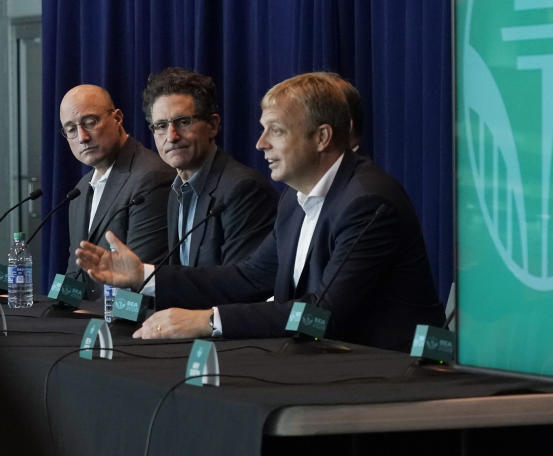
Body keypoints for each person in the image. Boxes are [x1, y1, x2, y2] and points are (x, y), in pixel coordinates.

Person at [77, 72, 445, 351]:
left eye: (276, 131)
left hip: (391, 374)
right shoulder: (293, 199)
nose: (260, 143)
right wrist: (144, 274)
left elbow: (322, 314)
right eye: (262, 130)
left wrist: (208, 320)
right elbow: (250, 277)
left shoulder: (367, 202)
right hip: (330, 363)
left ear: (321, 138)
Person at [142, 67, 278, 267]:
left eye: (183, 122)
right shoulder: (177, 190)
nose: (171, 136)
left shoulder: (244, 190)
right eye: (161, 126)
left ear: (213, 125)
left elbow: (240, 285)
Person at [60, 84, 175, 299]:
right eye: (71, 129)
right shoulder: (81, 189)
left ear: (118, 118)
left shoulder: (150, 177)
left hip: (129, 323)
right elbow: (75, 273)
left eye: (90, 122)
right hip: (85, 321)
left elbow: (137, 282)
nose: (82, 137)